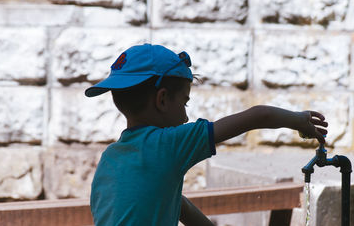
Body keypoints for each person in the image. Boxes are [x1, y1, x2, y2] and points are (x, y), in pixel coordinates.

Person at [85, 43, 328, 226]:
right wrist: (299, 121)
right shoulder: (168, 145)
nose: (185, 117)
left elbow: (176, 203)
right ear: (162, 100)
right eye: (184, 103)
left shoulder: (111, 157)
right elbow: (258, 116)